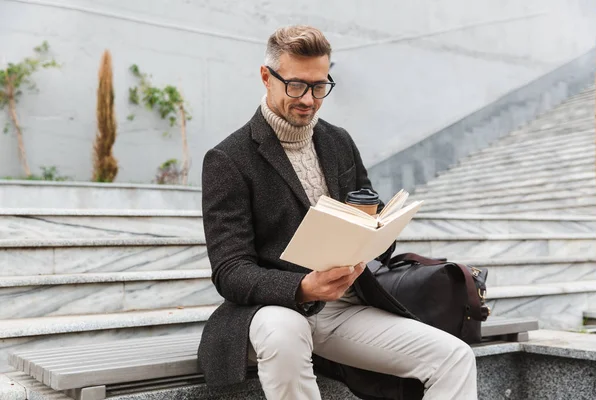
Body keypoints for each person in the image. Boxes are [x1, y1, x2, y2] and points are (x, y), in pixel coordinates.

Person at [198, 25, 477, 400]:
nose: (309, 100)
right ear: (266, 77)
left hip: (345, 309)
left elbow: (370, 214)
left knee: (455, 358)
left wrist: (375, 232)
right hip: (272, 309)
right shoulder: (228, 159)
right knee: (285, 333)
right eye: (296, 85)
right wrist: (301, 288)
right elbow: (230, 270)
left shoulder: (338, 141)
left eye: (319, 86)